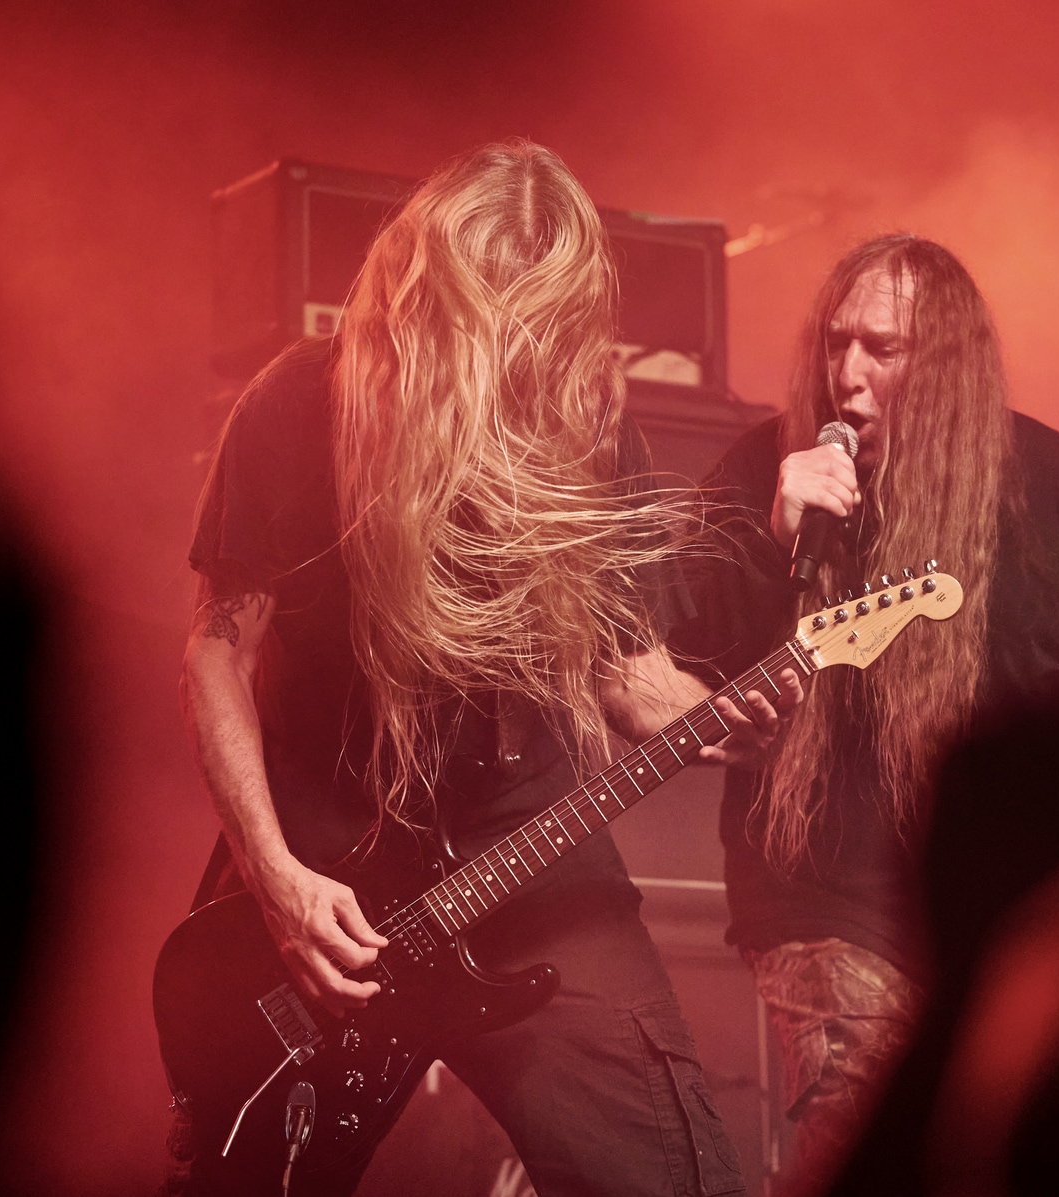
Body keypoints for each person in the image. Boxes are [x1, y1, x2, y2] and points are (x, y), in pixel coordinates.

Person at [170, 140, 800, 1197]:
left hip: (529, 866)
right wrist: (275, 879)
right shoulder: (300, 403)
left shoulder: (588, 435)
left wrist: (726, 716)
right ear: (427, 296)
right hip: (332, 871)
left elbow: (629, 678)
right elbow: (216, 651)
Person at [671, 234, 1059, 1189]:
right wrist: (774, 535)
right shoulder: (761, 470)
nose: (848, 374)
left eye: (882, 349)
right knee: (869, 1140)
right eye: (836, 342)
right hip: (825, 897)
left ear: (943, 360)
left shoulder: (1047, 477)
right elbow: (681, 678)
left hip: (1004, 903)